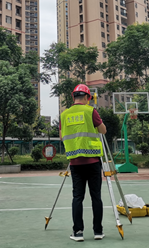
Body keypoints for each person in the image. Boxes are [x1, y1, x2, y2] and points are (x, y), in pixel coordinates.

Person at [60, 84, 107, 242]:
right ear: (87, 97)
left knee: (77, 197)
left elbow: (62, 137)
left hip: (75, 162)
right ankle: (98, 231)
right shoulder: (90, 111)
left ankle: (78, 232)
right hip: (93, 160)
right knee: (96, 197)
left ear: (73, 97)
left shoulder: (64, 115)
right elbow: (103, 130)